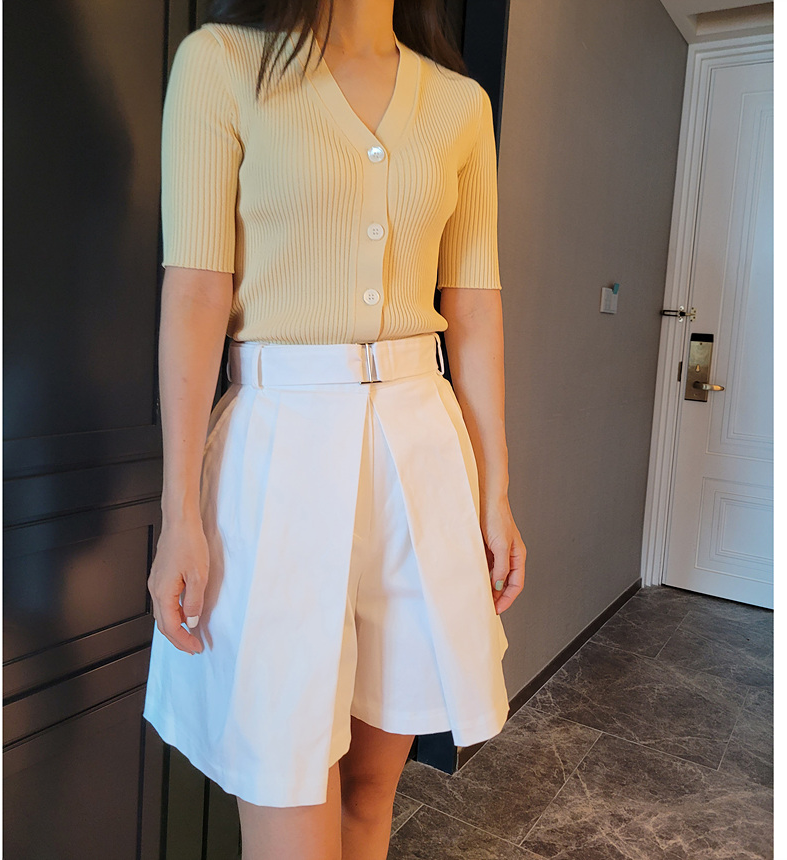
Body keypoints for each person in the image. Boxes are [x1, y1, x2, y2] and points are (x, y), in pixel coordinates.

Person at [141, 0, 526, 857]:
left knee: (368, 794)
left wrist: (495, 491)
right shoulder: (222, 64)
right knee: (288, 785)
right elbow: (196, 293)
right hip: (276, 454)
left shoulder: (460, 105)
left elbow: (473, 306)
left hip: (420, 456)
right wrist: (180, 513)